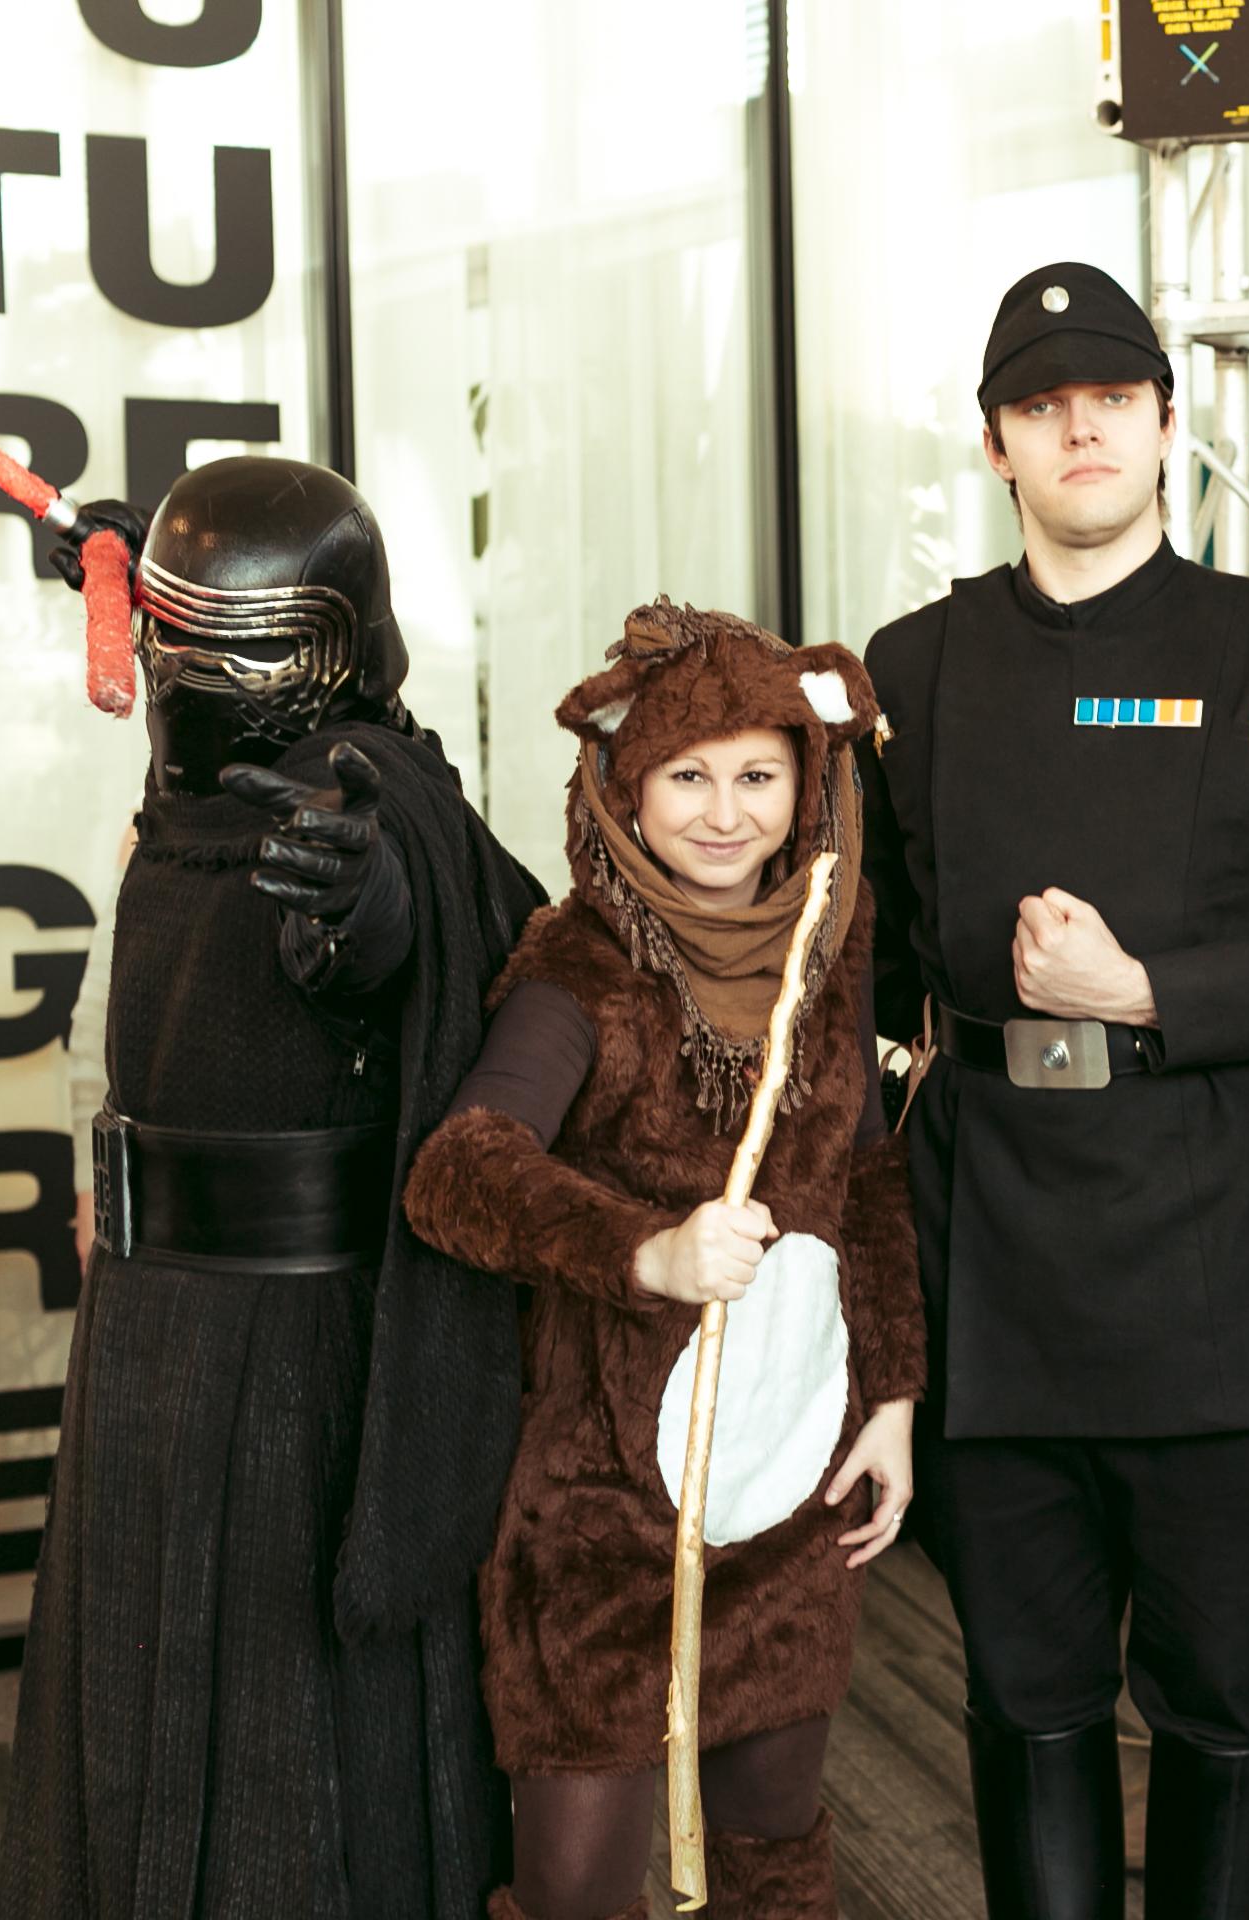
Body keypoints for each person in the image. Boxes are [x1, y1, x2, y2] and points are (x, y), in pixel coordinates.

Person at [855, 259, 1249, 1920]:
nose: (1081, 428)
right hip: (996, 1270)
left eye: (1112, 398)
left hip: (1221, 1270)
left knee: (1222, 1696)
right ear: (995, 447)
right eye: (1042, 407)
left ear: (1169, 426)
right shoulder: (914, 667)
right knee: (1023, 1694)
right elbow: (862, 981)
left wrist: (1148, 994)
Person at [0, 458, 544, 1920]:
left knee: (296, 1727)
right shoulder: (189, 783)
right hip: (150, 1306)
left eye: (231, 646)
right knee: (142, 1666)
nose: (186, 674)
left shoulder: (369, 793)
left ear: (341, 647)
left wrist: (361, 914)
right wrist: (118, 559)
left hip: (297, 1336)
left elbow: (405, 925)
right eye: (168, 634)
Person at [402, 603, 924, 1920]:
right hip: (605, 1521)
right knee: (575, 1893)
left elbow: (866, 1179)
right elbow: (457, 1172)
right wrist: (650, 1251)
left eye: (758, 775)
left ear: (806, 782)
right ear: (625, 786)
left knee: (774, 1859)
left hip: (790, 1490)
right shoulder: (579, 965)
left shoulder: (829, 942)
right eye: (688, 776)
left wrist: (895, 1399)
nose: (725, 814)